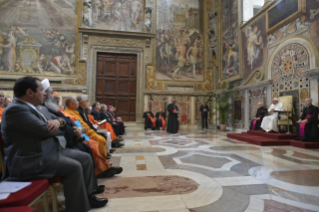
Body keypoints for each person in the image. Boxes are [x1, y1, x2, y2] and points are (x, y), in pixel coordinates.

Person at [1, 77, 107, 211]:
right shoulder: (15, 110)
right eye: (41, 90)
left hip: (47, 152)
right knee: (74, 167)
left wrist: (59, 123)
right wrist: (59, 125)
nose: (44, 94)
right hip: (30, 160)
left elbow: (59, 121)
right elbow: (45, 130)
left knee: (85, 157)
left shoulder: (36, 107)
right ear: (29, 93)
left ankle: (87, 197)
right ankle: (77, 208)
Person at [41, 79, 120, 177]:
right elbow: (67, 125)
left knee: (95, 142)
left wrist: (80, 130)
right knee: (91, 145)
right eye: (53, 95)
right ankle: (100, 169)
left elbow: (71, 123)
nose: (57, 100)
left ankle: (103, 167)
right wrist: (78, 131)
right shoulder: (51, 110)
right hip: (68, 140)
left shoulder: (73, 111)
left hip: (77, 135)